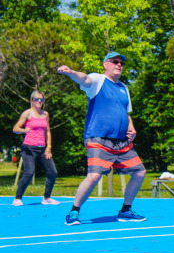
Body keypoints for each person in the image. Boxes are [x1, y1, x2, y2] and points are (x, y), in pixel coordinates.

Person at [57, 51, 147, 225]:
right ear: (106, 64)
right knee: (94, 176)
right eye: (115, 61)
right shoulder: (98, 80)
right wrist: (71, 72)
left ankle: (125, 211)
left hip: (122, 142)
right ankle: (74, 212)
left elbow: (127, 113)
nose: (119, 64)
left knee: (139, 172)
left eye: (121, 62)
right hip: (99, 139)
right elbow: (84, 79)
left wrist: (132, 127)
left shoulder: (124, 88)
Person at [12, 90, 60, 206]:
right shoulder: (27, 113)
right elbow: (15, 128)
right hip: (29, 148)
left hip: (42, 149)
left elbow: (47, 131)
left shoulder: (45, 114)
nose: (39, 101)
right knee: (29, 172)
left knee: (52, 172)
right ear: (32, 101)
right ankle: (17, 198)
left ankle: (46, 198)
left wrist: (49, 147)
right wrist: (24, 130)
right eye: (37, 99)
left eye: (41, 99)